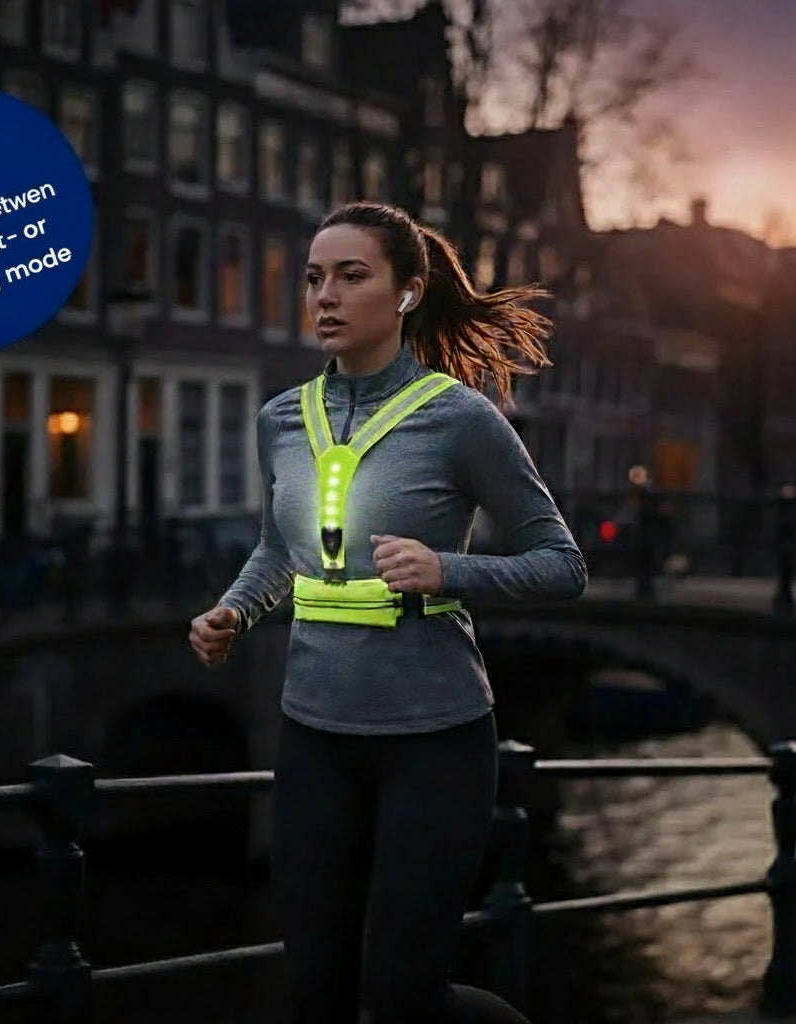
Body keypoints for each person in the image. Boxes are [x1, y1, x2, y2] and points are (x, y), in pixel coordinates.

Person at [188, 201, 587, 1023]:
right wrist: (232, 612)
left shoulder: (462, 417)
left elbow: (563, 566)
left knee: (405, 998)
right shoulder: (280, 421)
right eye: (313, 278)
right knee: (317, 995)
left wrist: (449, 569)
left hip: (435, 743)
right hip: (313, 738)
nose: (323, 296)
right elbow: (279, 552)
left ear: (408, 293)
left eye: (350, 276)